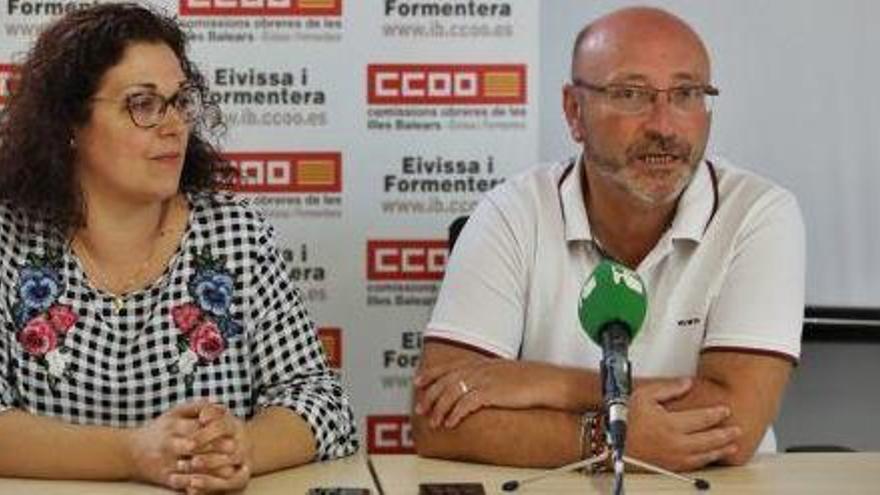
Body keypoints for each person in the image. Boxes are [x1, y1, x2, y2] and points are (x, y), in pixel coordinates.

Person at [412, 6, 805, 472]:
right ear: (574, 112)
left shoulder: (758, 213)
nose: (664, 125)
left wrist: (546, 385)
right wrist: (607, 436)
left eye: (686, 94)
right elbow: (439, 421)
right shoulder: (511, 212)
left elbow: (731, 425)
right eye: (631, 94)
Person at [0, 3, 357, 493]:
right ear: (69, 122)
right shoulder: (8, 239)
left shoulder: (235, 233)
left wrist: (243, 447)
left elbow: (324, 403)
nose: (174, 126)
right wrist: (133, 452)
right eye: (143, 105)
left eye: (179, 101)